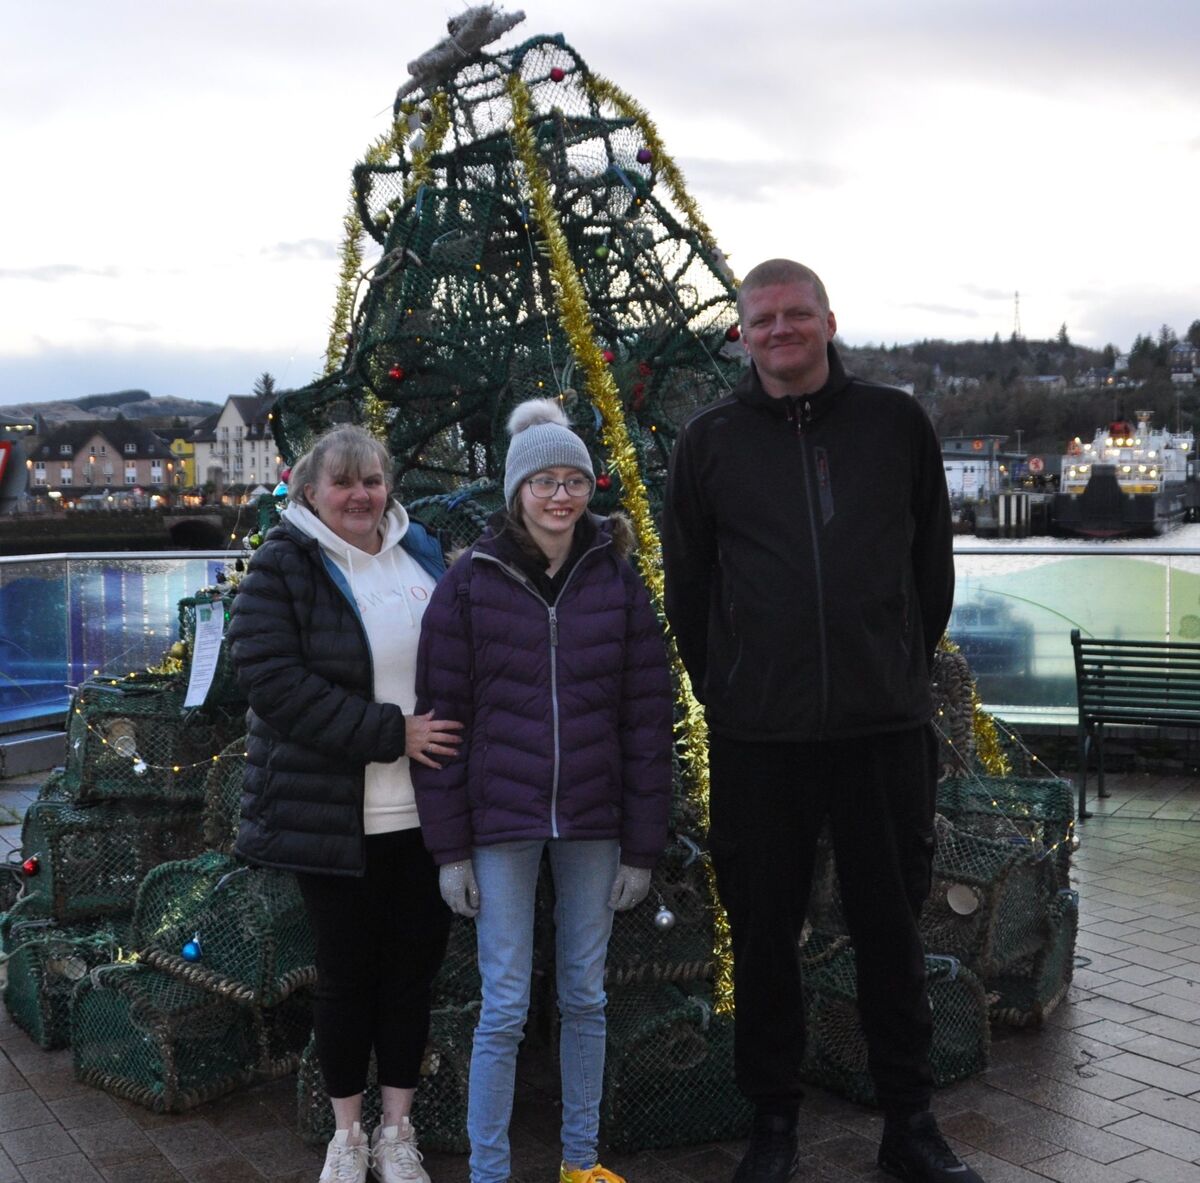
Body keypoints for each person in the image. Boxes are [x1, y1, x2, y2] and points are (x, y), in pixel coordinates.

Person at [661, 260, 975, 1183]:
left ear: (829, 321)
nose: (780, 330)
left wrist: (892, 669)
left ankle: (910, 1121)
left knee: (891, 926)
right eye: (762, 319)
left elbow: (932, 569)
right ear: (741, 333)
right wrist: (731, 686)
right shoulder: (709, 442)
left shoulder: (895, 423)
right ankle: (772, 1124)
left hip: (882, 730)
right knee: (764, 934)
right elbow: (690, 586)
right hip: (761, 736)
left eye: (797, 314)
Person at [412, 399, 674, 1183]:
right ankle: (490, 1171)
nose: (561, 495)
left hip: (595, 819)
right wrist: (449, 849)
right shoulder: (468, 585)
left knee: (585, 996)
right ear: (516, 489)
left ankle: (580, 1162)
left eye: (574, 480)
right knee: (503, 1005)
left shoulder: (619, 583)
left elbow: (646, 720)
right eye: (544, 481)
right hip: (501, 821)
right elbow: (440, 722)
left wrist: (642, 845)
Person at [229, 424, 463, 1183]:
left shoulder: (420, 550)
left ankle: (399, 1131)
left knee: (410, 974)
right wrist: (391, 732)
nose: (361, 494)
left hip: (425, 814)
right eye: (344, 482)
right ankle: (347, 1133)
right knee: (344, 974)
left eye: (372, 479)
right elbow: (271, 678)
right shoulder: (285, 562)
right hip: (333, 814)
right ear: (310, 492)